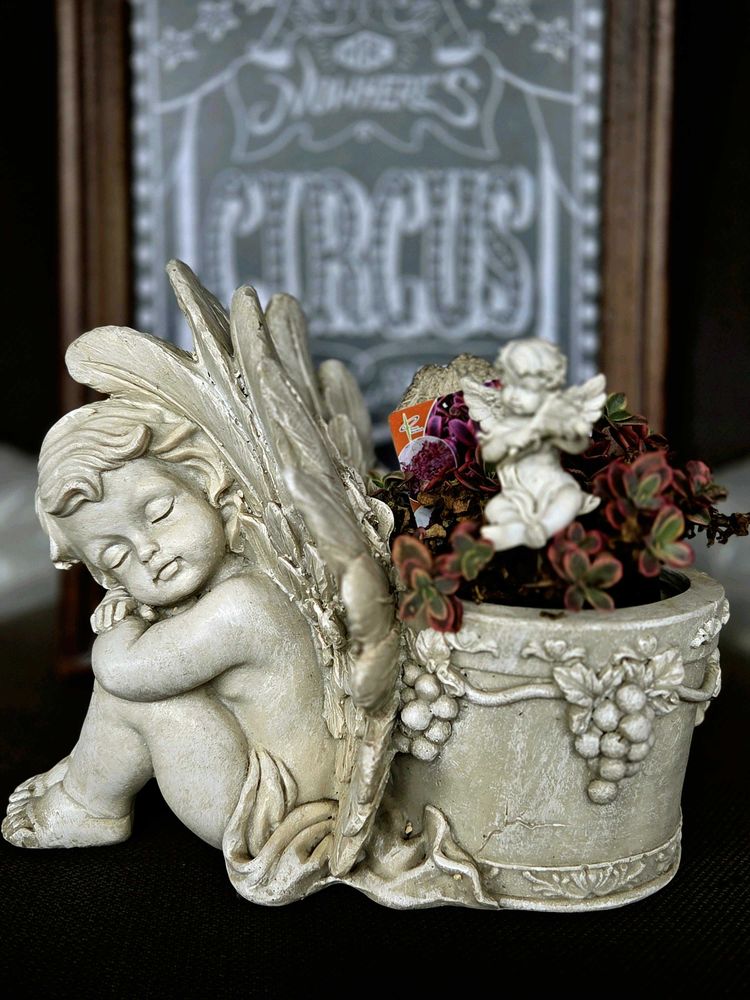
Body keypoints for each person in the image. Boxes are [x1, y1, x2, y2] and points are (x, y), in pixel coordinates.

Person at [2, 398, 337, 863]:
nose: (147, 550)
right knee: (147, 669)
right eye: (117, 557)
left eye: (159, 512)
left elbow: (122, 672)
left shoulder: (245, 604)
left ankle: (90, 803)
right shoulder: (230, 584)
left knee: (146, 695)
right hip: (282, 781)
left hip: (274, 813)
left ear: (208, 483)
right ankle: (89, 772)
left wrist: (128, 620)